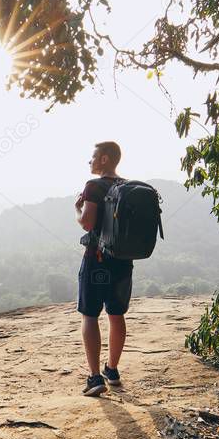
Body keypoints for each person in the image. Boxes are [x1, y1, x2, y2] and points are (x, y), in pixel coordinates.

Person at [74, 141, 133, 396]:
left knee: (90, 315)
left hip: (97, 260)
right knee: (116, 314)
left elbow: (87, 223)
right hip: (123, 262)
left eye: (94, 157)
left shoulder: (94, 186)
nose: (90, 161)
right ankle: (113, 370)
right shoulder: (128, 186)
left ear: (106, 159)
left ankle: (95, 377)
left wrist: (77, 209)